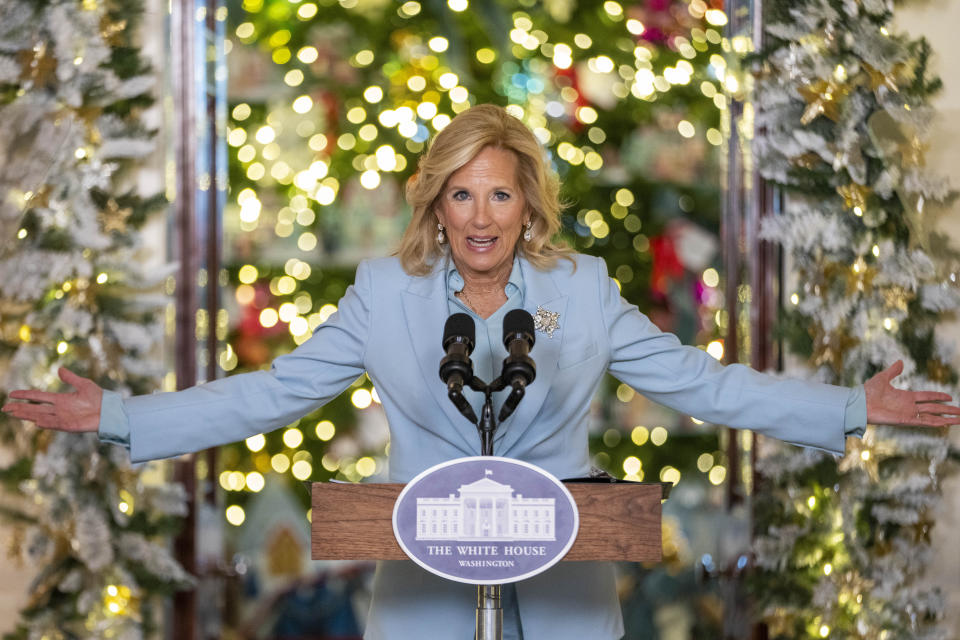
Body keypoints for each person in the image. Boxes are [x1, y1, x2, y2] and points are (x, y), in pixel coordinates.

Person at [4, 103, 959, 640]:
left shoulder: (582, 289)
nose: (480, 215)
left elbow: (701, 384)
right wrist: (119, 415)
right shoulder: (384, 293)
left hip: (566, 596)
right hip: (423, 596)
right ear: (437, 205)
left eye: (499, 192)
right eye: (460, 193)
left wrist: (851, 406)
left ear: (527, 202)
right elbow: (271, 392)